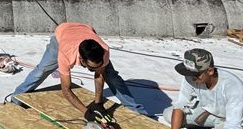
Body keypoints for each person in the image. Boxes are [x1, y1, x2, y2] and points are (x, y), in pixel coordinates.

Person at [9, 22, 147, 118]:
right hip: (62, 35)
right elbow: (66, 89)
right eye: (92, 67)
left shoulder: (103, 50)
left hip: (85, 29)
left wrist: (98, 103)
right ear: (81, 60)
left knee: (112, 77)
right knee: (42, 70)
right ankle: (16, 98)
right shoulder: (65, 54)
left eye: (98, 65)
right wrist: (86, 112)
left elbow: (100, 75)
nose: (95, 69)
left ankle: (137, 111)